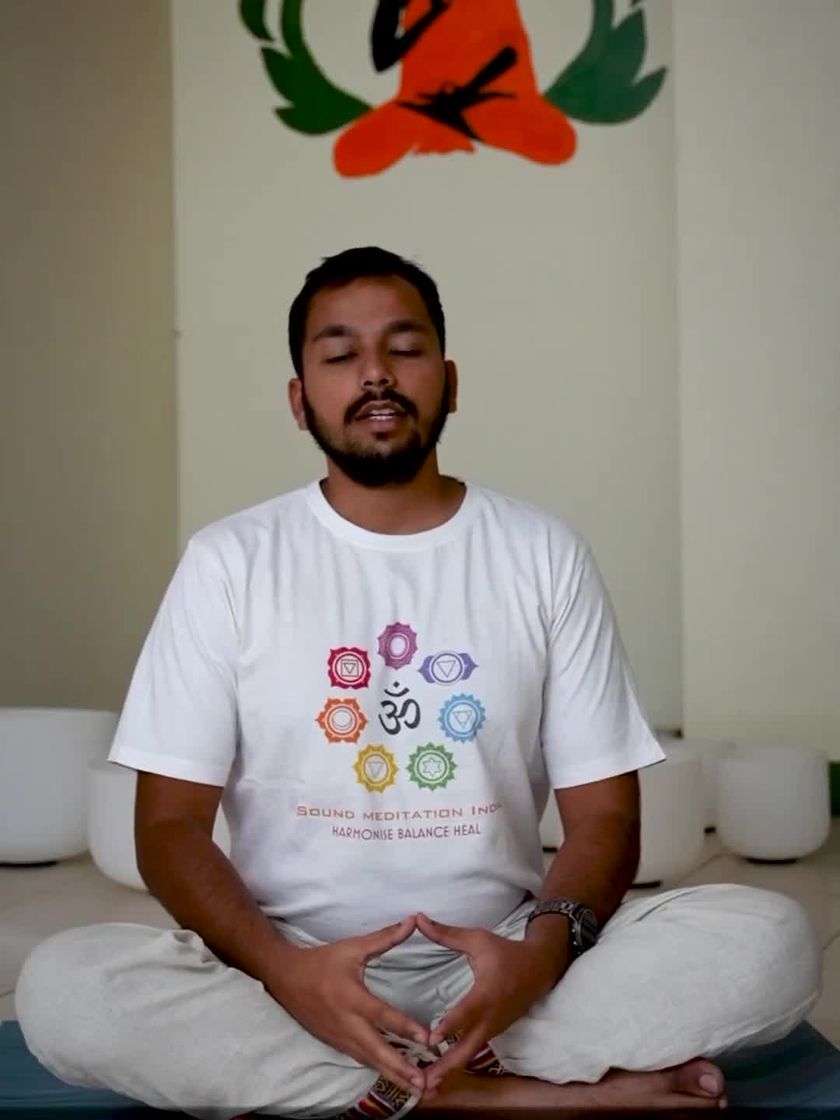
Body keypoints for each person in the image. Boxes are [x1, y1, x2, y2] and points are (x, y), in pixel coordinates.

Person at [16, 247, 821, 1119]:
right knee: (66, 990)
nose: (376, 374)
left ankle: (372, 1085)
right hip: (285, 966)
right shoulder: (229, 562)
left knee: (770, 940)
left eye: (404, 348)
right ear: (299, 399)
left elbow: (605, 818)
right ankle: (491, 1098)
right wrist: (288, 973)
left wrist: (536, 961)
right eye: (340, 354)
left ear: (450, 381)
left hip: (501, 957)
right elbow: (169, 827)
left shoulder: (541, 553)